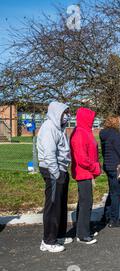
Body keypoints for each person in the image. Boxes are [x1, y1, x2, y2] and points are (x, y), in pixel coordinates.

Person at [37, 102, 72, 253]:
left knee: (60, 204)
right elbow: (49, 153)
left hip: (61, 169)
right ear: (57, 113)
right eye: (65, 113)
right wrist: (57, 174)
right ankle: (48, 240)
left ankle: (58, 235)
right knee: (52, 205)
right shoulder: (49, 127)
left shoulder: (60, 128)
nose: (67, 116)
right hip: (53, 171)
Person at [70, 108, 101, 245]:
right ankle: (82, 234)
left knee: (84, 202)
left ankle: (82, 229)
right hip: (83, 172)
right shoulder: (79, 133)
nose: (93, 121)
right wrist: (95, 167)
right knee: (86, 203)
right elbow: (82, 158)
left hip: (87, 172)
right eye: (91, 118)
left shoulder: (85, 131)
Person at [100, 115, 120, 228]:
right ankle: (114, 219)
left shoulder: (104, 134)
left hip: (108, 164)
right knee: (117, 193)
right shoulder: (116, 135)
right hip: (117, 166)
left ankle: (106, 216)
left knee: (112, 191)